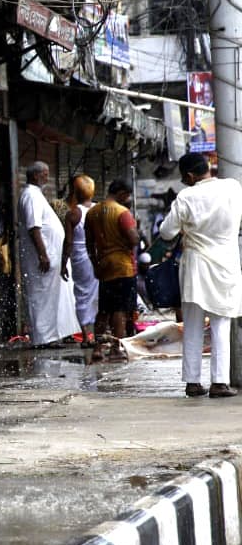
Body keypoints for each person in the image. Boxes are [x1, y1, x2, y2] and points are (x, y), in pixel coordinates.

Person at [158, 152, 242, 398]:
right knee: (221, 324)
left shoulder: (186, 196)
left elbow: (166, 233)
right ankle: (220, 383)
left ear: (189, 176)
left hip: (196, 266)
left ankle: (193, 382)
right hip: (225, 264)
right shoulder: (233, 188)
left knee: (193, 325)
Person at [19, 161, 80, 347]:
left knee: (52, 297)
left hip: (50, 255)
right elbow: (34, 227)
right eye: (45, 174)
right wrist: (42, 254)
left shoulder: (36, 195)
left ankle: (52, 336)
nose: (47, 177)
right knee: (42, 297)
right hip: (43, 257)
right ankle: (44, 338)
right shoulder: (30, 195)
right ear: (36, 175)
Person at [86, 180, 140, 362]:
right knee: (120, 309)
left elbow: (89, 243)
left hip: (104, 266)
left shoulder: (92, 212)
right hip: (123, 267)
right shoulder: (122, 212)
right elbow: (133, 239)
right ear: (122, 193)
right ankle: (116, 348)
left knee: (104, 309)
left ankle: (98, 348)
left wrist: (95, 264)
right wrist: (135, 233)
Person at [63, 175, 99, 345]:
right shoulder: (99, 210)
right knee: (98, 293)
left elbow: (68, 242)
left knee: (82, 295)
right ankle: (99, 332)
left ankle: (86, 336)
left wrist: (63, 264)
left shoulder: (73, 214)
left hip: (80, 259)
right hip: (98, 256)